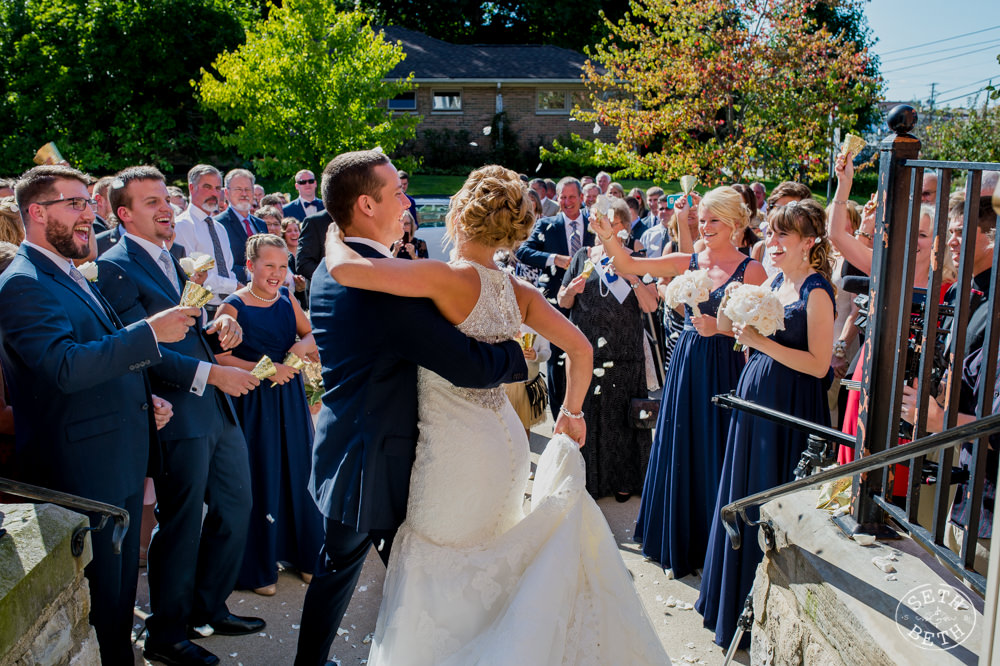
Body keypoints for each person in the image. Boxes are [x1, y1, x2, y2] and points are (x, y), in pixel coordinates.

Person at [322, 162, 669, 665]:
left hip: (455, 447)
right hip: (504, 438)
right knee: (487, 548)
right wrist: (571, 413)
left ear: (459, 215)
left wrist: (335, 235)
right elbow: (580, 350)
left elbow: (348, 271)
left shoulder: (444, 277)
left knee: (441, 556)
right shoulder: (519, 292)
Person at [294, 152, 529, 666]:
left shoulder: (337, 270)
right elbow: (469, 366)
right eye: (396, 191)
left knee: (342, 566)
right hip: (379, 460)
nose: (407, 198)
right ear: (365, 204)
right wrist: (518, 354)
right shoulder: (384, 289)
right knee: (416, 571)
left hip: (346, 445)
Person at [0, 164, 194, 664]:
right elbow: (62, 366)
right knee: (100, 602)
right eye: (76, 203)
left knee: (118, 599)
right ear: (37, 213)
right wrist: (150, 333)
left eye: (90, 203)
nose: (90, 214)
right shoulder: (22, 283)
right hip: (82, 470)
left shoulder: (67, 272)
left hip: (118, 454)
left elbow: (100, 353)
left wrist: (139, 397)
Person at [96, 165, 265, 666]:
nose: (165, 207)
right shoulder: (114, 267)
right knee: (182, 522)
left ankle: (207, 610)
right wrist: (213, 376)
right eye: (150, 202)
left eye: (164, 198)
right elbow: (141, 348)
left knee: (236, 508)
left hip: (216, 407)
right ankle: (166, 634)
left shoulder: (173, 258)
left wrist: (223, 324)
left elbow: (190, 325)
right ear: (123, 214)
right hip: (180, 411)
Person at [597, 187, 767, 575]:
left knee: (719, 448)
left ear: (735, 223)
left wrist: (720, 331)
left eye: (713, 221)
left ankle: (716, 546)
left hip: (727, 367)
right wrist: (608, 235)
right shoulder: (688, 261)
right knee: (684, 443)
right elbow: (627, 263)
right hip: (689, 364)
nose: (704, 227)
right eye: (701, 220)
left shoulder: (752, 270)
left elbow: (761, 331)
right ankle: (681, 539)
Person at [696, 198, 835, 649]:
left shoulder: (816, 291)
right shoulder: (774, 279)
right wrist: (740, 321)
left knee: (771, 501)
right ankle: (731, 601)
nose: (770, 242)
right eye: (770, 233)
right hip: (755, 399)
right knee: (743, 493)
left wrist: (760, 342)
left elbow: (818, 366)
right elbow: (734, 326)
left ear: (808, 243)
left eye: (782, 235)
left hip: (790, 408)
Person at [215, 234, 325, 596]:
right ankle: (259, 569)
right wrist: (267, 369)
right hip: (252, 400)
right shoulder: (232, 307)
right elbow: (216, 359)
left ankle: (305, 556)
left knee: (297, 471)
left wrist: (299, 347)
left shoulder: (286, 300)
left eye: (283, 266)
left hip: (290, 398)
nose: (277, 273)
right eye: (269, 266)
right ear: (250, 266)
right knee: (261, 474)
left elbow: (313, 336)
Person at [558, 196, 659, 500]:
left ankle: (625, 480)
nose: (606, 228)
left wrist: (633, 278)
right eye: (602, 222)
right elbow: (562, 301)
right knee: (588, 413)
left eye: (613, 223)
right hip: (586, 351)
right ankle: (590, 480)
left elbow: (651, 304)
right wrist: (570, 291)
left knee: (623, 417)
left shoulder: (638, 259)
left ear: (624, 227)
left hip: (625, 353)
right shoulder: (581, 257)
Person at [515, 176, 595, 419]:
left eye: (572, 197)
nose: (568, 202)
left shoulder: (595, 223)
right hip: (554, 302)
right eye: (563, 197)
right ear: (556, 198)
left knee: (587, 352)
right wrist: (554, 259)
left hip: (591, 301)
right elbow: (523, 251)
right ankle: (561, 414)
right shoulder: (547, 224)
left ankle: (586, 411)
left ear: (582, 198)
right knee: (558, 357)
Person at [174, 164, 242, 317]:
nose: (214, 193)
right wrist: (236, 287)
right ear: (192, 188)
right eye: (207, 187)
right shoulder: (183, 225)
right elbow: (195, 276)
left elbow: (228, 270)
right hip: (201, 312)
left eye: (218, 188)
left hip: (228, 308)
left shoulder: (219, 228)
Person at [215, 168, 267, 285]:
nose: (244, 193)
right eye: (238, 189)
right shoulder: (218, 224)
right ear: (227, 193)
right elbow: (221, 267)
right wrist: (253, 272)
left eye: (247, 189)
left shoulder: (261, 224)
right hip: (237, 292)